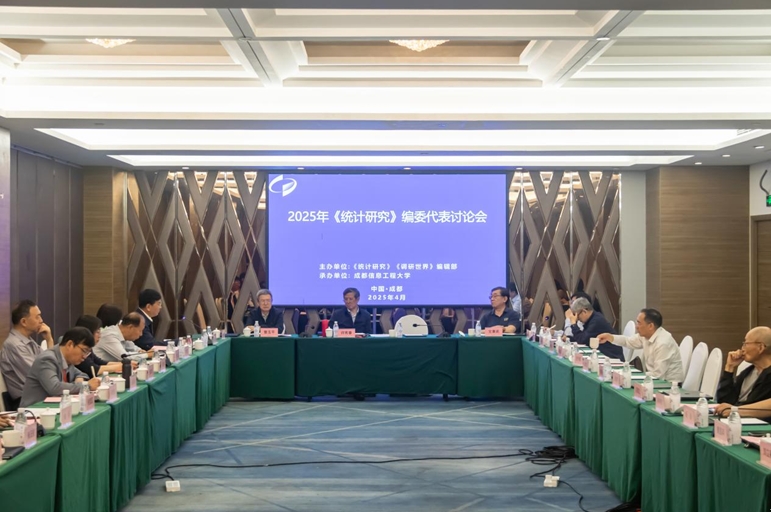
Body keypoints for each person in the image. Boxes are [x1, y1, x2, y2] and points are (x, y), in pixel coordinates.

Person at [20, 327, 101, 407]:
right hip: (35, 411)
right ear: (70, 344)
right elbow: (55, 388)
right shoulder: (47, 359)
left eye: (87, 353)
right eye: (84, 351)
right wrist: (86, 386)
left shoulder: (67, 360)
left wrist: (79, 379)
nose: (85, 356)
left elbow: (82, 374)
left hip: (56, 408)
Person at [597, 308, 683, 381]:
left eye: (639, 323)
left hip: (669, 385)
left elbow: (658, 375)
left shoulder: (663, 343)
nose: (636, 326)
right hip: (652, 379)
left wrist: (634, 375)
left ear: (650, 326)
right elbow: (628, 341)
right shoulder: (645, 335)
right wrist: (610, 337)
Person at [0, 300, 54, 406]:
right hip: (26, 403)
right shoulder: (14, 345)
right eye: (37, 317)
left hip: (38, 397)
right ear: (24, 322)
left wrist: (49, 340)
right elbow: (43, 374)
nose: (41, 321)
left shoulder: (28, 341)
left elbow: (50, 365)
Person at [714, 327, 771, 417]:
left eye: (746, 344)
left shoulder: (768, 375)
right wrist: (729, 367)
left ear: (760, 347)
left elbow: (752, 404)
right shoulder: (749, 372)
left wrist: (735, 410)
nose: (742, 349)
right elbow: (724, 402)